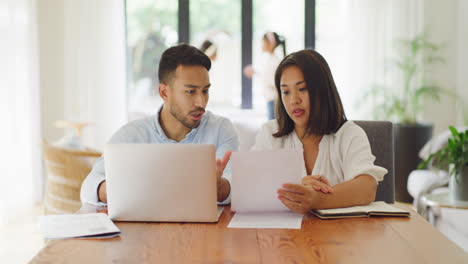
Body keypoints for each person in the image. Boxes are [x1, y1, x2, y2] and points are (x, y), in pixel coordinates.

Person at [80, 44, 239, 205]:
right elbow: (88, 187)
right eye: (191, 91)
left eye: (205, 91)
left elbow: (236, 185)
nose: (201, 102)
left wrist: (219, 188)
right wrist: (120, 190)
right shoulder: (131, 135)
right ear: (164, 92)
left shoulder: (221, 129)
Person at [251, 49, 388, 214]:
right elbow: (252, 186)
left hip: (341, 235)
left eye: (302, 89)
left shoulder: (350, 134)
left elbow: (367, 188)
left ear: (322, 90)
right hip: (284, 237)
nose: (294, 100)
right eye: (286, 92)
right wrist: (298, 189)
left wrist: (316, 199)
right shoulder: (270, 133)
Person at [244, 31, 286, 120]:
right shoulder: (269, 59)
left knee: (273, 125)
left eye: (263, 42)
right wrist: (255, 72)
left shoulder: (274, 61)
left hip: (274, 99)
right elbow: (267, 76)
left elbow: (274, 81)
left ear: (271, 44)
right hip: (270, 98)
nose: (262, 45)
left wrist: (256, 73)